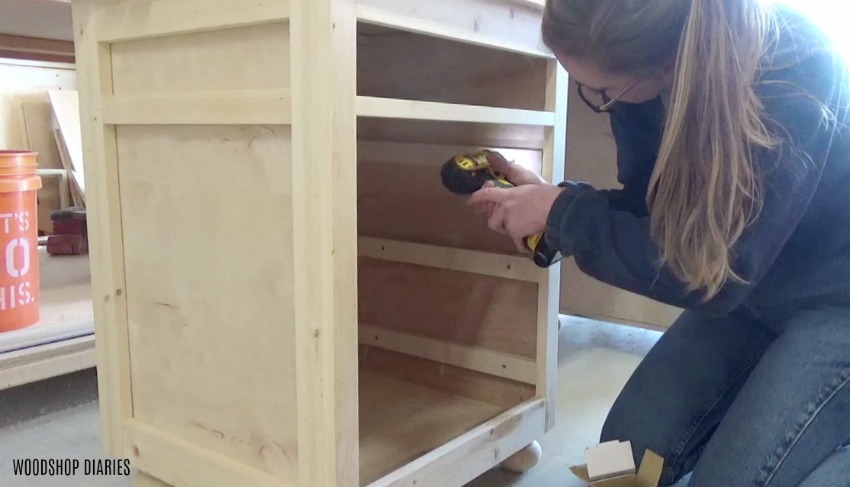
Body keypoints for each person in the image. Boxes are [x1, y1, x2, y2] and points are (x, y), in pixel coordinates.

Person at [466, 0, 850, 485]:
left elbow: (716, 278)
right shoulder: (640, 88)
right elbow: (654, 214)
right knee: (614, 460)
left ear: (665, 61)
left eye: (601, 90)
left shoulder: (797, 70)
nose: (595, 98)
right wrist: (556, 205)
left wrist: (566, 215)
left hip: (834, 304)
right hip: (751, 294)